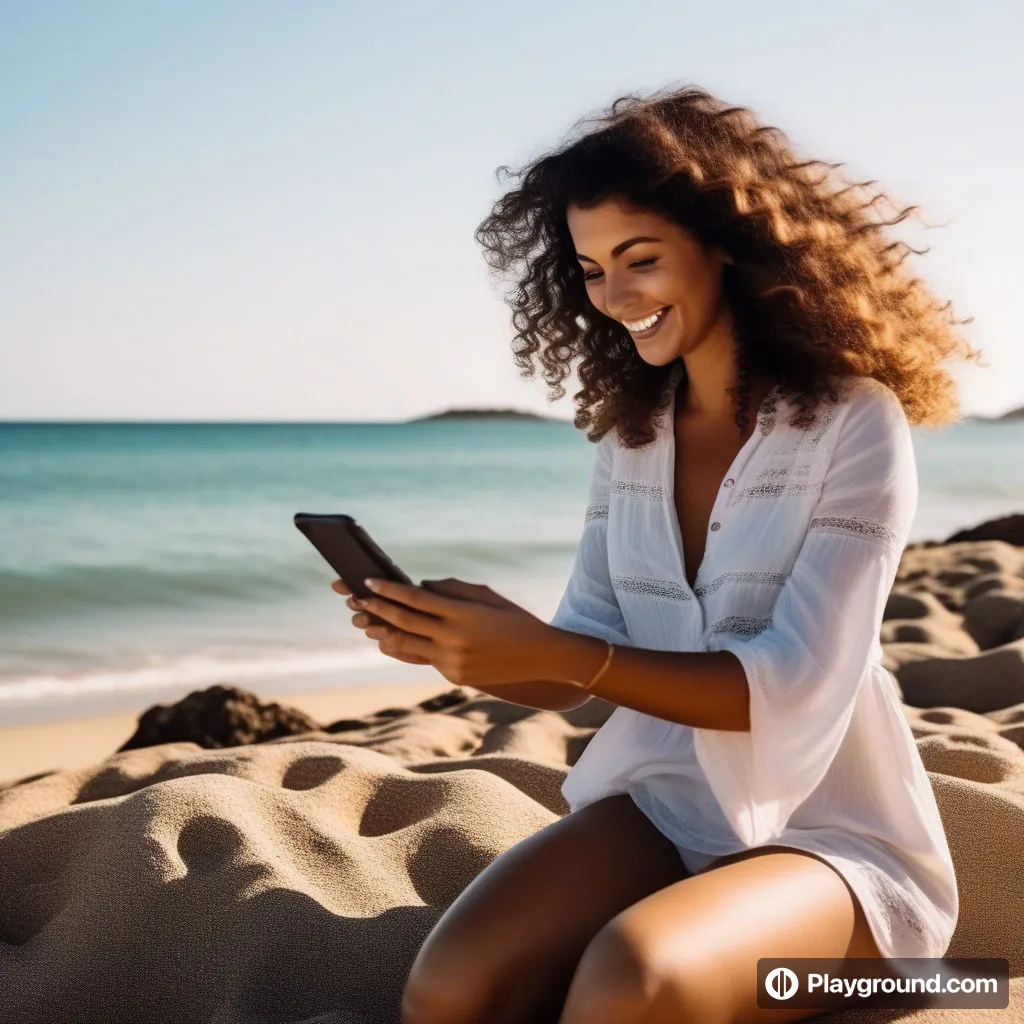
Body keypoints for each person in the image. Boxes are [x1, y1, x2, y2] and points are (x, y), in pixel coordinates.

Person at [333, 84, 982, 1023]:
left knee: (633, 983)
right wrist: (470, 646)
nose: (615, 297)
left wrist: (561, 655)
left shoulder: (853, 422)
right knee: (452, 989)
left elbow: (793, 687)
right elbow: (578, 666)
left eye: (641, 260)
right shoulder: (631, 441)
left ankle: (906, 973)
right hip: (670, 813)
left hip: (837, 850)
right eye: (593, 270)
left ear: (725, 241)